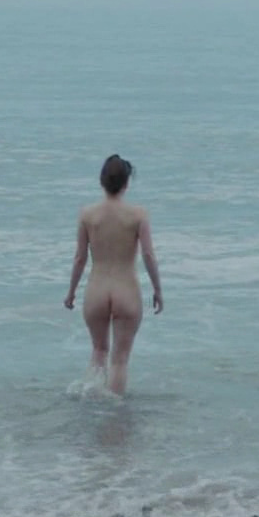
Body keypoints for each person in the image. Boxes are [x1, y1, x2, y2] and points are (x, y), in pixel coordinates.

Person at [64, 154, 163, 395]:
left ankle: (92, 403)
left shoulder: (88, 215)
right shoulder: (138, 215)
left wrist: (71, 293)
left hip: (97, 291)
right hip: (126, 291)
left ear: (102, 181)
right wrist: (157, 290)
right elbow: (148, 255)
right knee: (120, 359)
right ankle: (116, 411)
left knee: (99, 351)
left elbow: (80, 258)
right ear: (126, 183)